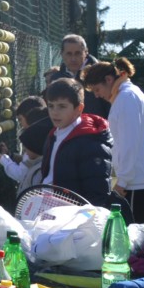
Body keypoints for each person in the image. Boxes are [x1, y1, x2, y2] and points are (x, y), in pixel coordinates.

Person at [82, 57, 144, 227]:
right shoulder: (128, 95)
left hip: (137, 181)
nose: (97, 95)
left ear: (108, 80)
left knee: (137, 237)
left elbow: (129, 144)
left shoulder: (126, 98)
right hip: (141, 178)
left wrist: (122, 182)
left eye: (97, 89)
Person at [39, 78, 115, 209]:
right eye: (51, 106)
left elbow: (97, 195)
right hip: (48, 212)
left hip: (73, 220)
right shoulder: (52, 135)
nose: (54, 112)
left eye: (62, 106)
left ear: (79, 108)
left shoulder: (92, 143)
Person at [45, 35, 110, 118]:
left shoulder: (101, 75)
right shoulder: (56, 79)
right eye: (69, 54)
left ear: (86, 52)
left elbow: (110, 107)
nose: (73, 59)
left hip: (97, 128)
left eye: (77, 53)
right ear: (62, 54)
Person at [0, 117, 51, 193]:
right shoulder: (37, 160)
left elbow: (19, 174)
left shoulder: (39, 169)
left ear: (35, 148)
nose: (25, 151)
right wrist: (11, 155)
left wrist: (2, 159)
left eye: (27, 149)